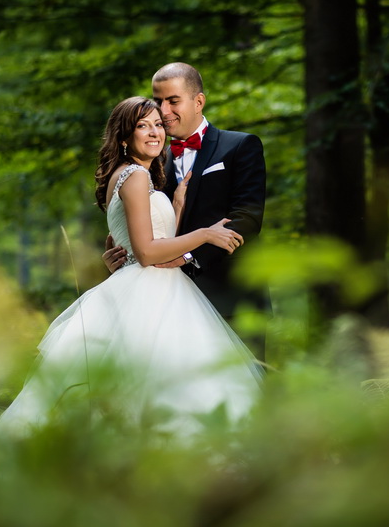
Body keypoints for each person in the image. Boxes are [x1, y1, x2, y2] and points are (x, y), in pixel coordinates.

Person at [0, 97, 262, 439]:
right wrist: (205, 234)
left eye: (158, 125)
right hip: (150, 288)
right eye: (142, 126)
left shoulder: (134, 176)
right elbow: (147, 253)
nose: (155, 132)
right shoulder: (134, 177)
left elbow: (153, 240)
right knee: (165, 383)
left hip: (154, 283)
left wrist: (177, 206)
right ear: (123, 137)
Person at [103, 63, 268, 356]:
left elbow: (247, 218)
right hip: (165, 303)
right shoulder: (151, 159)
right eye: (158, 101)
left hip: (230, 297)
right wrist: (123, 257)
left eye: (173, 100)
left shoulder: (240, 146)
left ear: (198, 101)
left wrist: (189, 256)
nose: (164, 111)